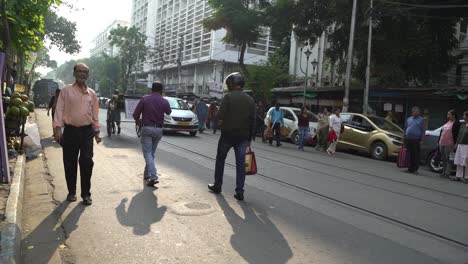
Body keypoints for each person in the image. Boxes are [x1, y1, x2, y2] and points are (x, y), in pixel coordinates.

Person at [53, 63, 101, 206]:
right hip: (70, 131)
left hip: (87, 132)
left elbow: (95, 114)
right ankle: (71, 192)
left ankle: (86, 194)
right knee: (70, 162)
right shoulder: (66, 90)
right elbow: (59, 109)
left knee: (87, 162)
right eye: (79, 71)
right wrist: (57, 128)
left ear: (88, 75)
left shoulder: (92, 93)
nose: (82, 74)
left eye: (85, 72)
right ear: (74, 73)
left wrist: (97, 131)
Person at [208, 72, 255, 201]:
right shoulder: (250, 100)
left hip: (227, 136)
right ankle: (240, 191)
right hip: (243, 137)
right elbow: (253, 121)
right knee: (241, 165)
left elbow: (219, 116)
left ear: (231, 84)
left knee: (220, 160)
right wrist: (249, 139)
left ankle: (217, 185)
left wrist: (219, 123)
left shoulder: (228, 97)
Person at [133, 82, 171, 187]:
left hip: (147, 129)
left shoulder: (144, 99)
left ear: (151, 89)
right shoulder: (164, 101)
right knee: (151, 153)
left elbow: (136, 114)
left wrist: (137, 120)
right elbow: (169, 112)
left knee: (148, 153)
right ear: (161, 90)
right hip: (158, 130)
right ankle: (146, 174)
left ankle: (153, 175)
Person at [438, 110, 460, 178]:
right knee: (443, 158)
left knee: (449, 158)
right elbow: (441, 132)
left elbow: (457, 134)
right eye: (448, 114)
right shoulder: (446, 122)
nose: (448, 116)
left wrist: (456, 143)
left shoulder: (456, 123)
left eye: (449, 114)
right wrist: (438, 141)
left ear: (453, 115)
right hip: (442, 143)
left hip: (450, 144)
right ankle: (443, 172)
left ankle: (447, 173)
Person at [404, 106, 425, 174]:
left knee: (415, 155)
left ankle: (415, 169)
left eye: (417, 112)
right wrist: (404, 137)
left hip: (416, 139)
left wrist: (422, 139)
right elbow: (405, 128)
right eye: (415, 112)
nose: (416, 113)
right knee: (409, 154)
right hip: (408, 138)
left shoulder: (421, 120)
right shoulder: (409, 119)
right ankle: (409, 168)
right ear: (412, 112)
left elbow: (423, 130)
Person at [452, 111, 468, 182]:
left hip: (466, 146)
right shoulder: (462, 125)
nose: (463, 117)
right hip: (460, 145)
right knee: (458, 160)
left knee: (466, 161)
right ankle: (458, 176)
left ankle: (466, 177)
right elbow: (459, 135)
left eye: (464, 116)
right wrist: (456, 144)